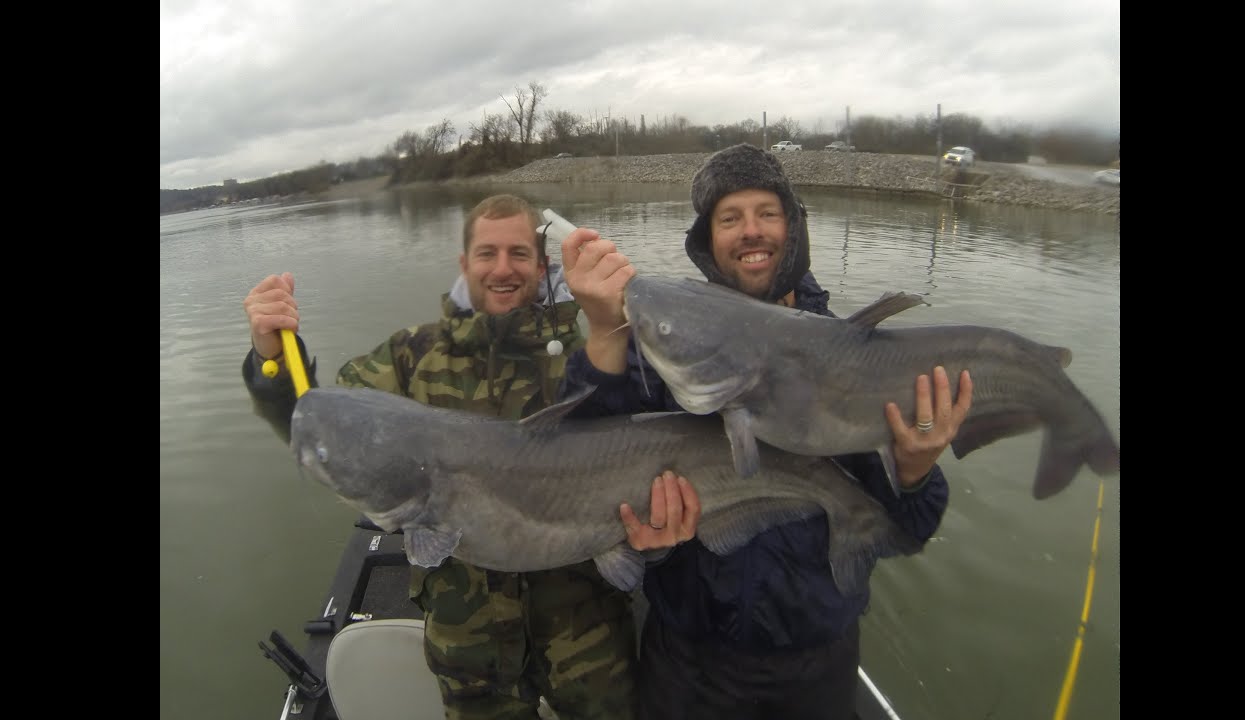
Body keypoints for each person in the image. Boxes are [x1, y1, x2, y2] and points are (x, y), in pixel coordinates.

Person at [557, 144, 975, 719]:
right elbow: (572, 467)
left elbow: (909, 530)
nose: (751, 232)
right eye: (730, 218)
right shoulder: (664, 345)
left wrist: (915, 471)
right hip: (689, 663)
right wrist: (604, 332)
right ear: (709, 240)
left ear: (793, 226)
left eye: (767, 213)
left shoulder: (852, 354)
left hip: (815, 668)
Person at [241, 193, 645, 719]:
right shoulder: (410, 356)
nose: (503, 269)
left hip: (588, 643)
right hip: (469, 650)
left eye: (519, 254)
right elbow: (324, 425)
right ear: (464, 264)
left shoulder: (593, 351)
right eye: (487, 254)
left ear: (541, 264)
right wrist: (271, 361)